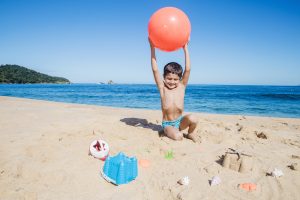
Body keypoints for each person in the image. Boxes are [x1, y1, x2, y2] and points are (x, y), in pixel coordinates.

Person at [149, 38, 198, 142]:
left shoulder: (182, 86)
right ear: (164, 77)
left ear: (179, 79)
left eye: (175, 79)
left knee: (193, 118)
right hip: (168, 124)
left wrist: (185, 48)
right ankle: (166, 131)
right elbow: (155, 69)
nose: (172, 81)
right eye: (169, 78)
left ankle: (190, 133)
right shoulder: (162, 88)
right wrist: (152, 47)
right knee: (178, 137)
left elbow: (188, 69)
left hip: (180, 122)